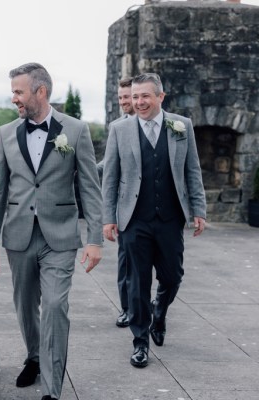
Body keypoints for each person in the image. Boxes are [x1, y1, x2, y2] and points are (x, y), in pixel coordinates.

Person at [0, 63, 103, 400]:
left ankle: (53, 390)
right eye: (13, 92)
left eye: (19, 92)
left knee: (54, 306)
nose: (14, 99)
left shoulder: (76, 130)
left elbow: (90, 189)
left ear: (41, 91)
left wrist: (94, 239)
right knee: (25, 305)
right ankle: (34, 356)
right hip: (18, 234)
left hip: (61, 235)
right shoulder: (6, 133)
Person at [102, 73, 206, 368]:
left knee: (173, 276)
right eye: (135, 97)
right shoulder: (119, 129)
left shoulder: (181, 125)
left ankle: (159, 313)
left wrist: (199, 210)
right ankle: (140, 342)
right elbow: (110, 177)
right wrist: (108, 218)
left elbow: (192, 170)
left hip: (171, 218)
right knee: (137, 283)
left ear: (161, 96)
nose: (139, 102)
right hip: (133, 220)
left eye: (145, 96)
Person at [97, 77, 135, 328]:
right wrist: (83, 168)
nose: (123, 102)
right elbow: (108, 164)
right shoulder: (117, 126)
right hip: (125, 208)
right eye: (120, 98)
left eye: (126, 97)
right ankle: (127, 308)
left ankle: (151, 304)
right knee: (126, 262)